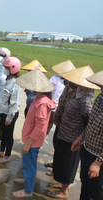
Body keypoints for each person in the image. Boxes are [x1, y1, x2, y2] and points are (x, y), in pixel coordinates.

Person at [49, 66, 98, 198]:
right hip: (64, 133)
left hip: (72, 138)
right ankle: (62, 184)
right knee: (61, 162)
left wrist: (80, 138)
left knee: (68, 165)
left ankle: (64, 191)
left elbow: (87, 120)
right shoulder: (78, 93)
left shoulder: (86, 99)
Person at [12, 69, 56, 198]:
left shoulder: (42, 102)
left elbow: (40, 126)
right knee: (27, 163)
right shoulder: (39, 97)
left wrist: (28, 144)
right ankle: (27, 181)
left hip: (33, 141)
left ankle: (28, 190)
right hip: (30, 139)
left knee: (30, 165)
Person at [71, 70, 103, 200]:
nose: (101, 90)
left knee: (96, 190)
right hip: (87, 148)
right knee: (84, 182)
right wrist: (81, 137)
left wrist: (98, 163)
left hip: (98, 156)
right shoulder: (100, 99)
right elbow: (91, 122)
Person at [43, 60, 76, 175]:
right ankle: (56, 162)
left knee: (60, 143)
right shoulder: (62, 83)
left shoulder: (73, 87)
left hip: (65, 120)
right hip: (57, 114)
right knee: (54, 139)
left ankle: (57, 167)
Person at [0, 57, 22, 163]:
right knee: (3, 133)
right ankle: (1, 151)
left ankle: (7, 156)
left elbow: (15, 103)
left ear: (13, 69)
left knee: (9, 135)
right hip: (3, 112)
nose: (4, 69)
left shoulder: (16, 83)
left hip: (10, 114)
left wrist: (10, 117)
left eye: (6, 68)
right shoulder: (8, 79)